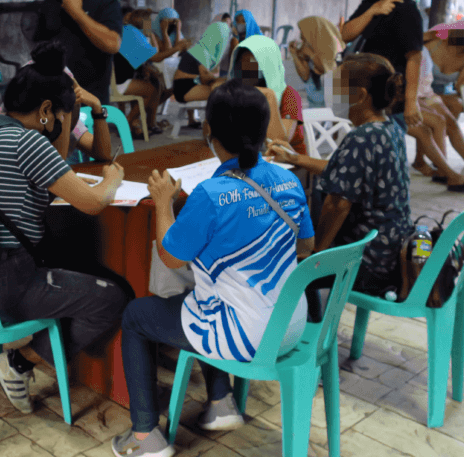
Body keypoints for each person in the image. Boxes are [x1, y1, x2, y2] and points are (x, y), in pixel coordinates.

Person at [112, 80, 314, 457]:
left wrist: (162, 203)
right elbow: (306, 247)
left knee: (136, 315)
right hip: (291, 325)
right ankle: (220, 402)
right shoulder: (288, 179)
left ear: (208, 131)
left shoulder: (210, 193)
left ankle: (145, 437)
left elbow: (171, 256)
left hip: (244, 336)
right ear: (263, 128)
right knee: (204, 294)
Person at [0, 42, 130, 414]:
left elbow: (51, 173)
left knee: (73, 264)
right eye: (67, 117)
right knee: (113, 297)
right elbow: (93, 202)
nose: (67, 124)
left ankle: (23, 356)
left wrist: (64, 121)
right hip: (9, 286)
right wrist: (112, 179)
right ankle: (18, 363)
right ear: (47, 110)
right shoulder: (29, 144)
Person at [268, 54, 413, 298]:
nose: (332, 93)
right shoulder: (390, 129)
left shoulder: (362, 138)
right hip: (390, 251)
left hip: (366, 263)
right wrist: (296, 159)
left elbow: (337, 205)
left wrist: (316, 255)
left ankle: (305, 326)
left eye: (338, 87)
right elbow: (348, 171)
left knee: (277, 263)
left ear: (360, 96)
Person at [340, 0, 424, 132]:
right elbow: (345, 34)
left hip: (391, 92)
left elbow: (414, 58)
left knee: (389, 138)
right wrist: (373, 11)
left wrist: (411, 102)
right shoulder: (369, 4)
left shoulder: (407, 10)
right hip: (364, 89)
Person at [34, 0, 122, 104]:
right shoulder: (51, 0)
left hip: (91, 100)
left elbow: (113, 44)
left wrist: (78, 14)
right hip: (54, 99)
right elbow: (39, 48)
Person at [408, 20, 464, 191]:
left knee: (451, 122)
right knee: (438, 121)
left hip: (427, 93)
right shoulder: (428, 44)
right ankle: (444, 171)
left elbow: (461, 86)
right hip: (414, 94)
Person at [122, 9, 191, 137]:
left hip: (129, 76)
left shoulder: (133, 31)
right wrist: (175, 46)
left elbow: (149, 54)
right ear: (130, 17)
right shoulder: (130, 32)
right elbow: (156, 56)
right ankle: (128, 122)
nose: (147, 21)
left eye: (148, 18)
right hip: (123, 80)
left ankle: (148, 123)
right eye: (145, 17)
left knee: (158, 84)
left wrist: (149, 33)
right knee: (152, 89)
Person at [228, 35, 302, 152]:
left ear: (268, 67)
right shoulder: (239, 93)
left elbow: (279, 144)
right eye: (242, 64)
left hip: (289, 163)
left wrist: (270, 97)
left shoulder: (289, 96)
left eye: (253, 65)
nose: (246, 72)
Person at [289, 16, 344, 109]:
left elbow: (329, 72)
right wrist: (294, 55)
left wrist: (312, 55)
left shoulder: (334, 48)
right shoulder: (308, 44)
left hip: (331, 106)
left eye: (302, 30)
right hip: (314, 103)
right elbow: (305, 76)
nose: (300, 35)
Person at [171, 21, 232, 104]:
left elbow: (209, 75)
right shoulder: (201, 51)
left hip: (190, 84)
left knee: (224, 88)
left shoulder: (204, 50)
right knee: (222, 93)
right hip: (184, 88)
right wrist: (223, 79)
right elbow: (205, 78)